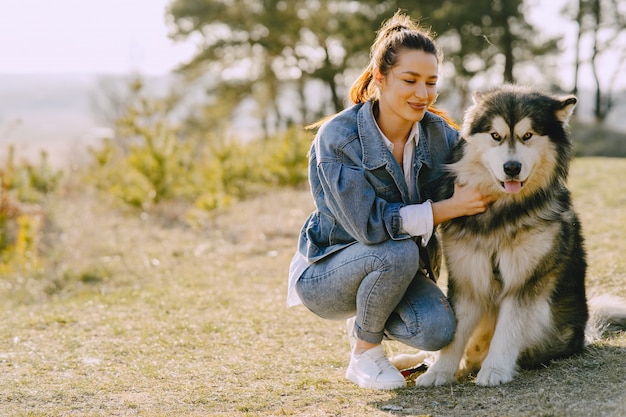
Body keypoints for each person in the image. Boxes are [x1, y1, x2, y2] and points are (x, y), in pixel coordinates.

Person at [287, 11, 494, 390]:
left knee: (437, 331)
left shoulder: (439, 136)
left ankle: (370, 311)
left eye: (431, 82)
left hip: (396, 270)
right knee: (396, 250)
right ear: (380, 78)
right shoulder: (339, 138)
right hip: (326, 274)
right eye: (410, 80)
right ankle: (364, 354)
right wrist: (445, 210)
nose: (423, 94)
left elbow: (482, 165)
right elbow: (370, 227)